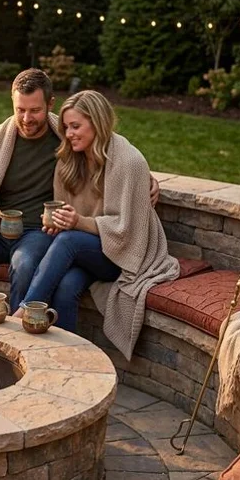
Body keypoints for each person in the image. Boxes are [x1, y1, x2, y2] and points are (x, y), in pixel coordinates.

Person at [0, 69, 159, 311]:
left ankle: (19, 340)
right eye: (20, 110)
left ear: (50, 104)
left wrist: (146, 177)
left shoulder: (64, 139)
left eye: (35, 110)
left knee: (25, 265)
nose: (27, 119)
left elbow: (107, 145)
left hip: (37, 233)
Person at [17, 90, 180, 360]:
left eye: (76, 126)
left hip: (125, 255)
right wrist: (60, 223)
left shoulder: (128, 162)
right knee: (67, 286)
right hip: (87, 251)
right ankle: (64, 362)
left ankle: (24, 310)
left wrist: (78, 223)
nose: (69, 134)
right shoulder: (69, 160)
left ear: (98, 123)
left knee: (68, 242)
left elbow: (127, 233)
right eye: (66, 127)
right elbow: (65, 213)